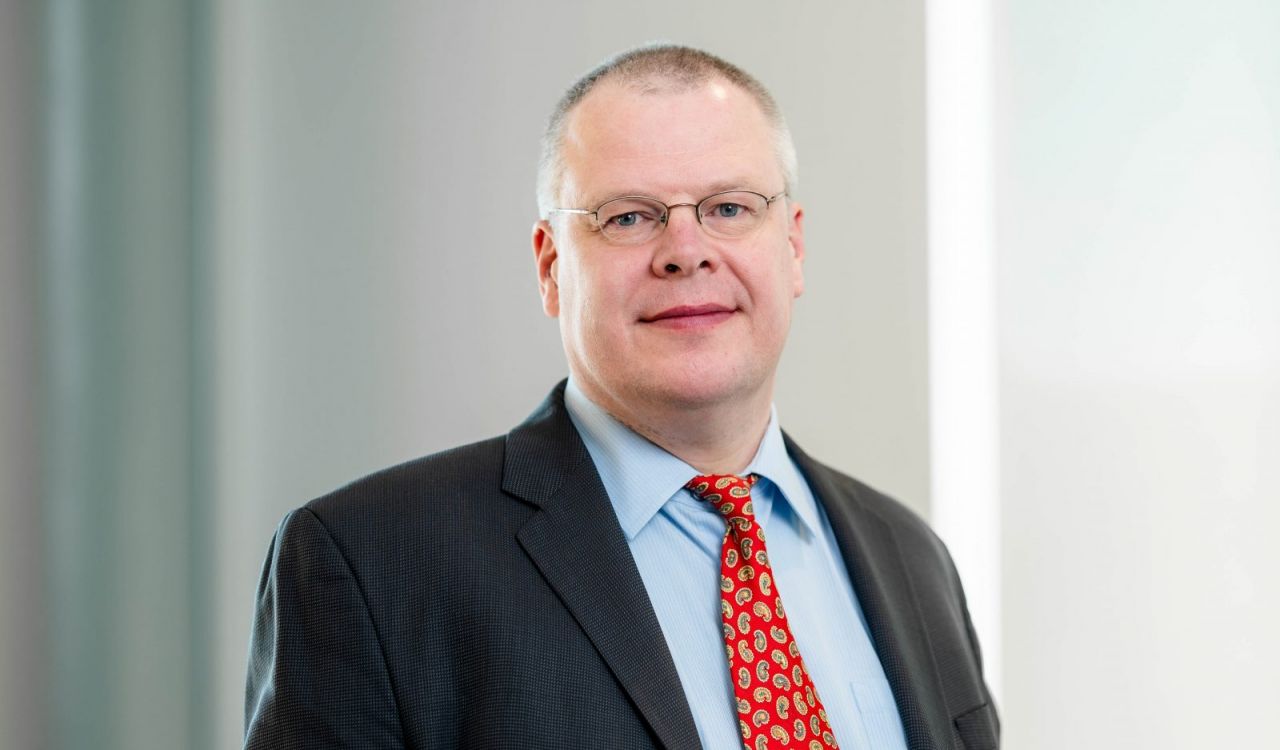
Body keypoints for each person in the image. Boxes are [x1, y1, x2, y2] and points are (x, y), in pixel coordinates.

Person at [244, 44, 999, 750]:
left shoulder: (912, 557)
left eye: (730, 208)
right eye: (629, 217)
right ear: (549, 268)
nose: (686, 250)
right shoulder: (369, 561)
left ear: (792, 248)